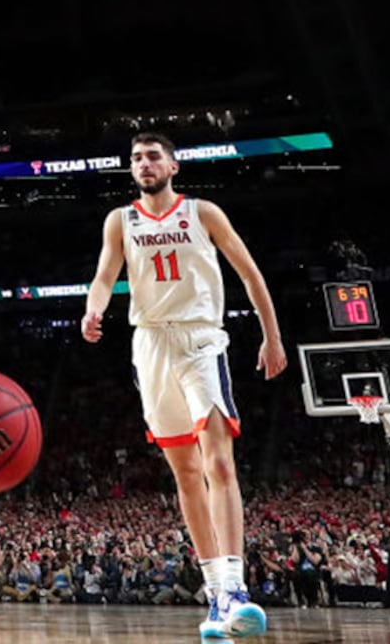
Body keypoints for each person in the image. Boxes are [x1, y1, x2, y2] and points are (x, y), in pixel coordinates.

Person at [82, 131, 287, 639]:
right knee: (186, 473)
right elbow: (106, 275)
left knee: (218, 461)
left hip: (200, 340)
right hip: (149, 344)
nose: (144, 163)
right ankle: (217, 595)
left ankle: (237, 587)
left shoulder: (203, 212)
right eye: (136, 158)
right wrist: (94, 307)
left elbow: (250, 274)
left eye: (153, 156)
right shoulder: (120, 220)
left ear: (173, 166)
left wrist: (272, 337)